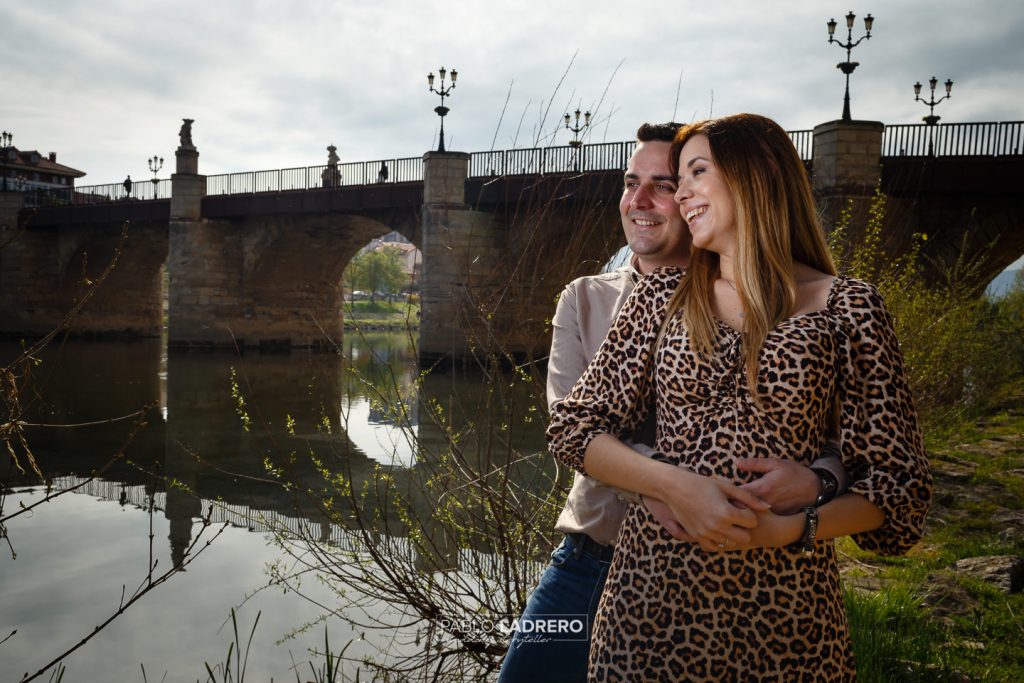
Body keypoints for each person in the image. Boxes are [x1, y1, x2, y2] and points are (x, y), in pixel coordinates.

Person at [547, 113, 933, 681]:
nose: (681, 194)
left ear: (758, 174)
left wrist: (789, 529)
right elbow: (573, 428)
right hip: (648, 609)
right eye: (679, 179)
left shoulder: (849, 308)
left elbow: (899, 489)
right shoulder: (660, 297)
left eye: (695, 172)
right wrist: (677, 487)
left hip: (791, 617)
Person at [498, 122, 849, 683]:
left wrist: (819, 481)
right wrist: (667, 486)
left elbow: (837, 443)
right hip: (589, 558)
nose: (640, 200)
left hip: (721, 566)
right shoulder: (586, 298)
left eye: (663, 184)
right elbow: (570, 422)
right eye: (630, 181)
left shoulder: (771, 301)